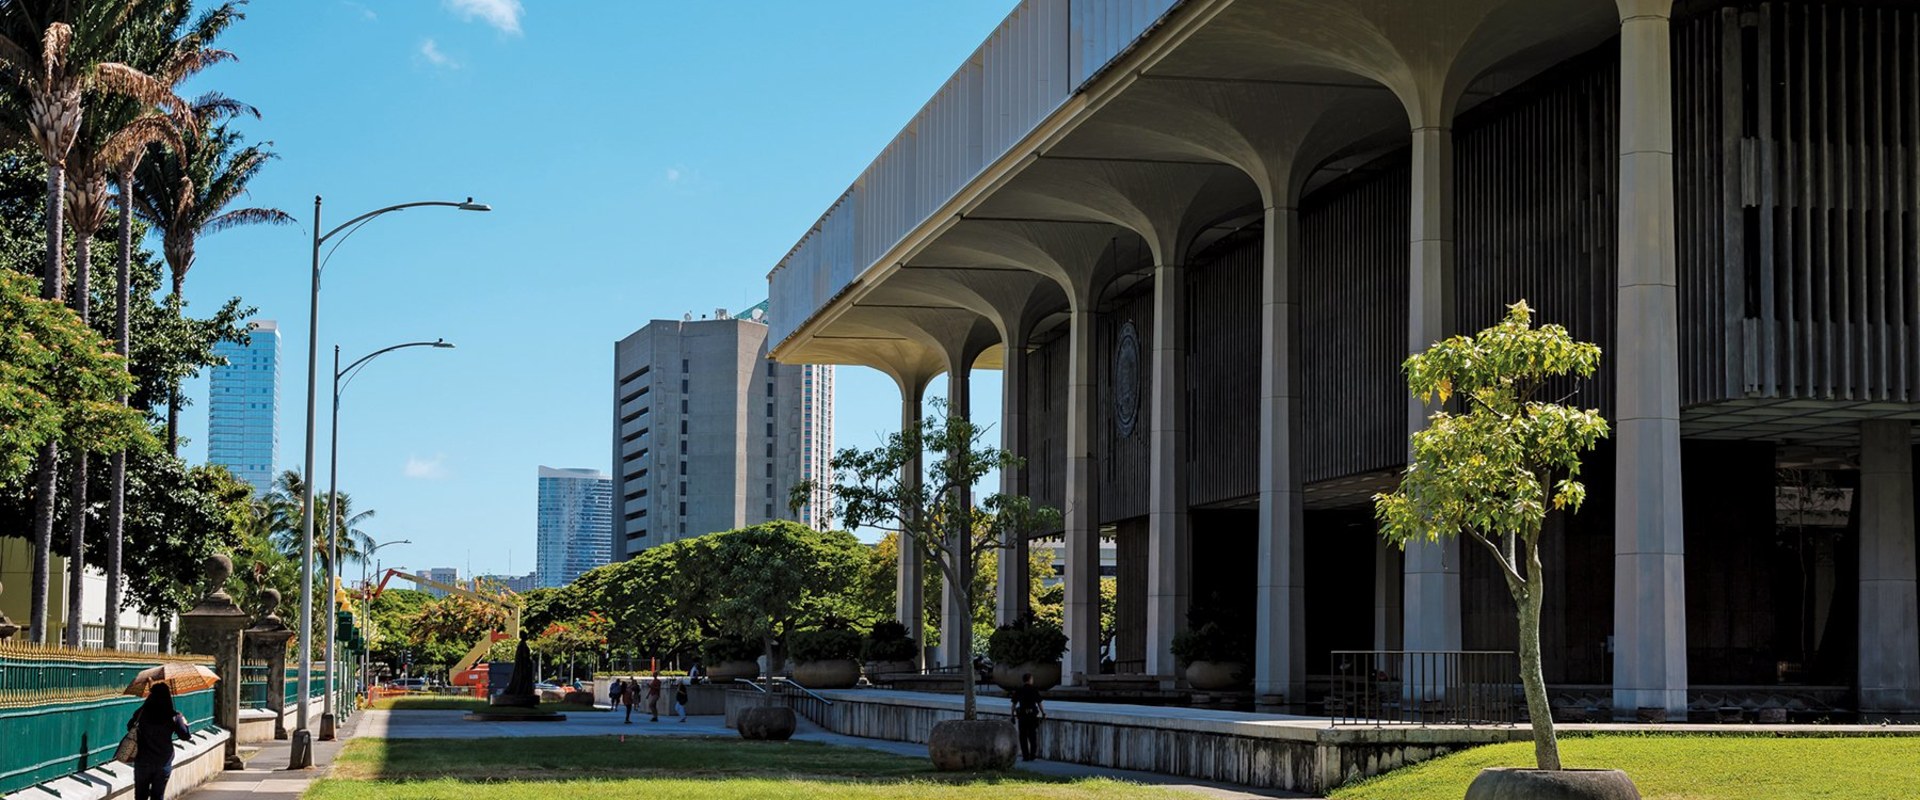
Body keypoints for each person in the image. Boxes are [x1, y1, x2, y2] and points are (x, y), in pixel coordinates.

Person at [127, 682, 193, 800]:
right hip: (163, 761)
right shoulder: (174, 716)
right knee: (158, 796)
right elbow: (185, 736)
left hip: (143, 760)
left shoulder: (141, 713)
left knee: (140, 796)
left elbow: (129, 727)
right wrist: (184, 722)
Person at [1010, 673, 1045, 762]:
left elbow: (1013, 704)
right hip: (1032, 716)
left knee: (1023, 736)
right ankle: (1032, 755)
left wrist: (1012, 715)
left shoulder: (1019, 690)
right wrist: (1043, 713)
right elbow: (1039, 703)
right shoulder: (1034, 690)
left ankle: (1025, 756)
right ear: (1030, 679)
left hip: (1022, 716)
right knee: (1032, 735)